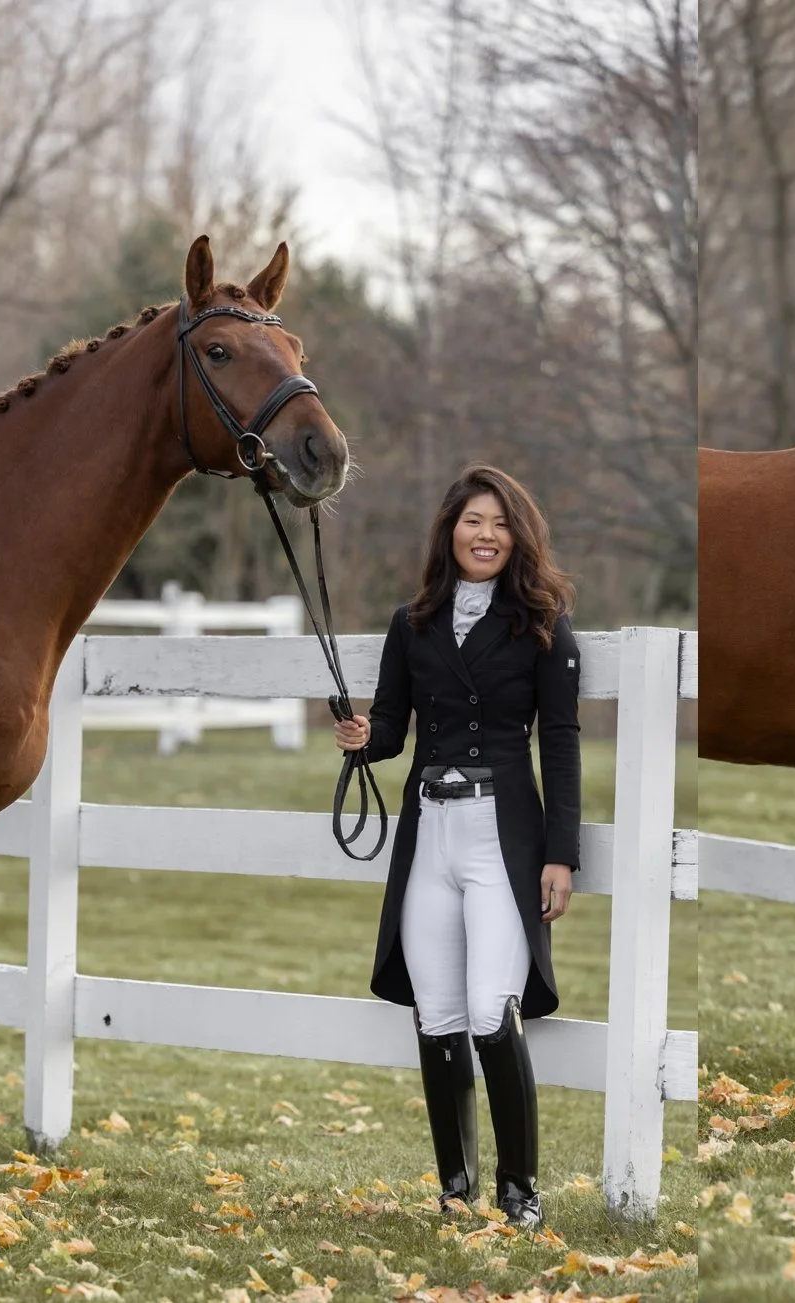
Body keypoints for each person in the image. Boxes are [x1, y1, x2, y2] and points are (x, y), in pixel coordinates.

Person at [333, 463, 580, 1229]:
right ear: (451, 531)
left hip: (499, 839)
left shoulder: (542, 622)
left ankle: (521, 1188)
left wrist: (561, 853)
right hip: (429, 833)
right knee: (435, 1014)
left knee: (486, 1011)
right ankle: (455, 1186)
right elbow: (395, 728)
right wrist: (363, 739)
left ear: (519, 537)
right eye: (474, 520)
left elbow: (561, 741)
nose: (487, 535)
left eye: (502, 523)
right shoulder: (412, 624)